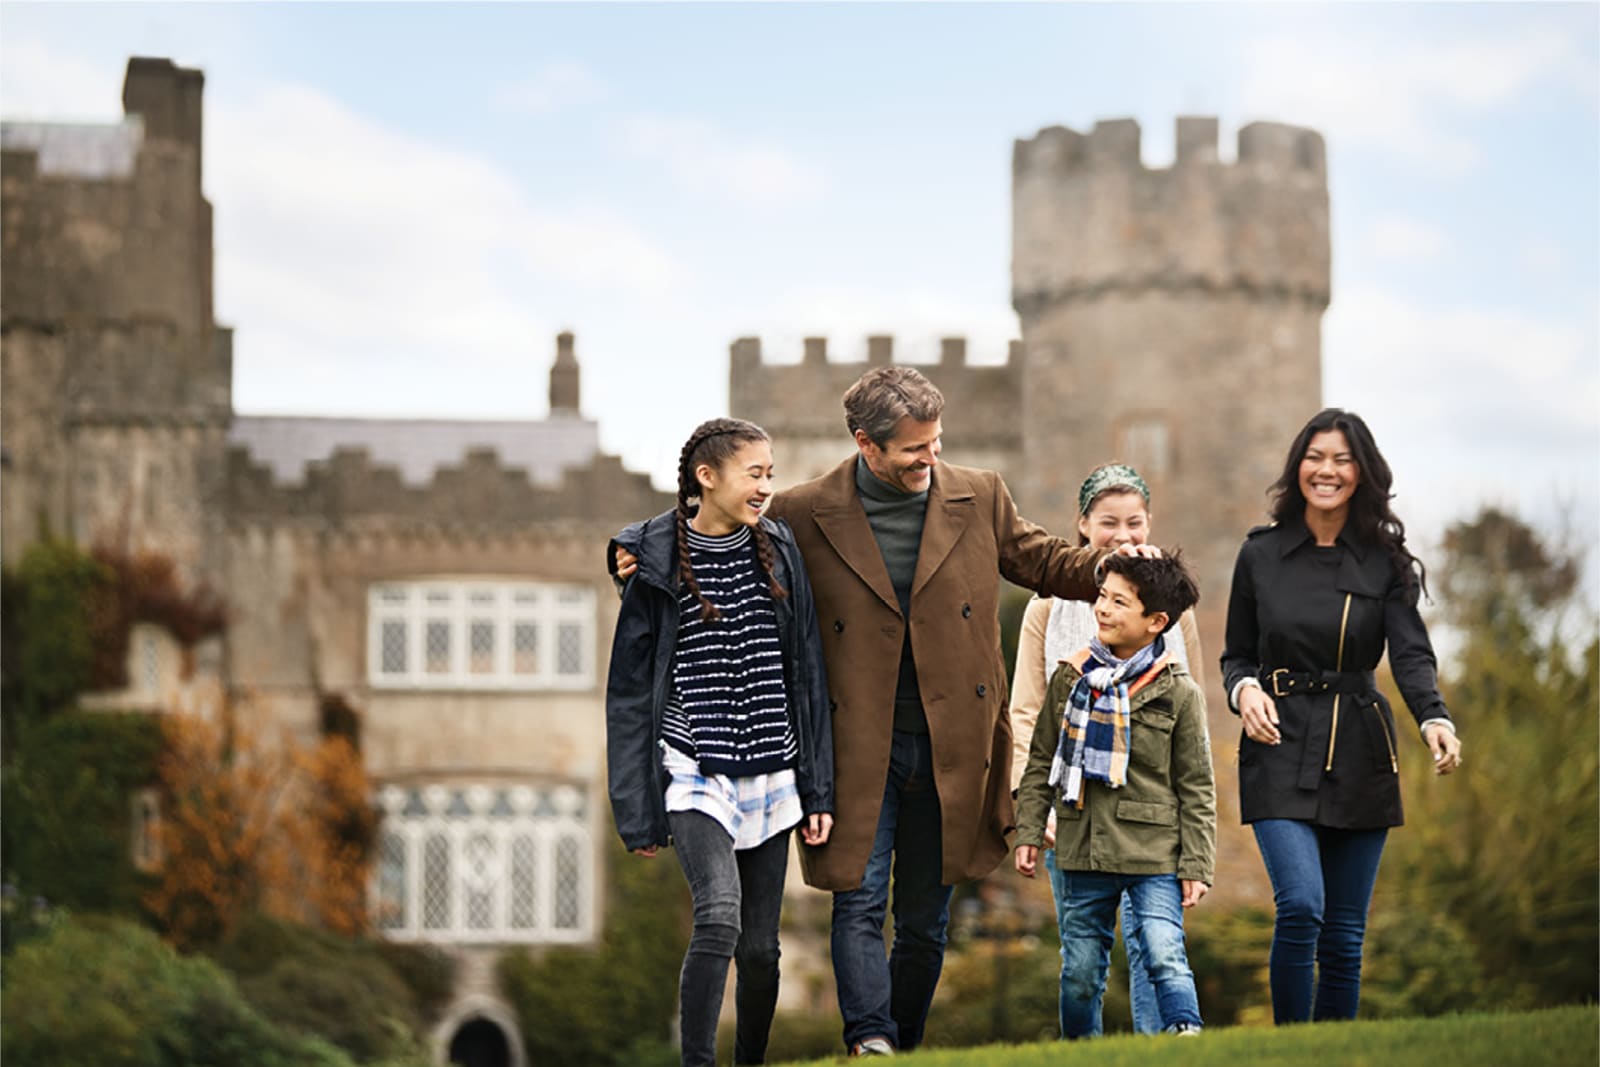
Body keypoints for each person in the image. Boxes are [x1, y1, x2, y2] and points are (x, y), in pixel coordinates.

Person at [612, 367, 1157, 1056]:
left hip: (949, 741)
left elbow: (1042, 561)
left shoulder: (979, 493)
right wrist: (632, 548)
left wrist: (1114, 565)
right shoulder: (804, 511)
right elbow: (711, 525)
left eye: (936, 442)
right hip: (856, 741)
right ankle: (869, 1038)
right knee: (859, 901)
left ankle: (902, 1038)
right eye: (913, 449)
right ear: (867, 445)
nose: (931, 459)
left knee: (927, 922)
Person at [605, 417, 835, 1067]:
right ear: (706, 477)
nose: (766, 486)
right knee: (719, 918)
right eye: (753, 473)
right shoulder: (654, 559)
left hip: (771, 768)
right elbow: (627, 695)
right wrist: (639, 809)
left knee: (760, 949)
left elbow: (809, 671)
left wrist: (817, 785)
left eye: (770, 472)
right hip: (695, 768)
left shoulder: (781, 550)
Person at [1220, 407, 1462, 1025]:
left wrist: (1435, 717)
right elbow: (1236, 655)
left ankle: (1335, 1050)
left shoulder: (1387, 564)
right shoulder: (1260, 555)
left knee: (1346, 934)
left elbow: (1410, 654)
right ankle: (1290, 1049)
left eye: (1342, 459)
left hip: (1360, 745)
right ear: (1298, 465)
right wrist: (1244, 690)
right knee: (1301, 906)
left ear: (1362, 474)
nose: (1326, 471)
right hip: (1276, 742)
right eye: (1316, 457)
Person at [1007, 463, 1205, 1036]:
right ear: (1082, 526)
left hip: (1150, 813)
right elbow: (1027, 712)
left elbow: (1186, 716)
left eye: (1135, 523)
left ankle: (1160, 1044)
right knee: (1083, 957)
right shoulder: (1046, 608)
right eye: (1108, 523)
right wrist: (1030, 803)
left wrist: (1191, 835)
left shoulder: (1172, 612)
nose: (1123, 536)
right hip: (1074, 810)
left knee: (1155, 945)